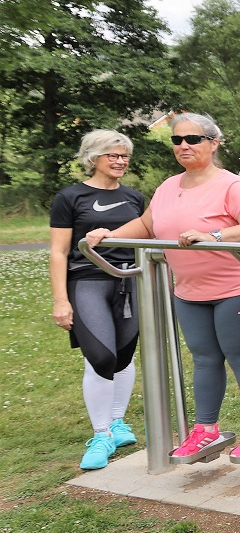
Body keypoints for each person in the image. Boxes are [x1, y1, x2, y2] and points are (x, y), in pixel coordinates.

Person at [86, 113, 240, 462]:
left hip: (237, 285)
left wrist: (214, 236)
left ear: (213, 143)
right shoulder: (168, 187)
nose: (183, 146)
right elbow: (147, 224)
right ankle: (206, 429)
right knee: (204, 358)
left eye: (192, 139)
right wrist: (108, 234)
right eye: (177, 140)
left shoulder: (230, 184)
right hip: (189, 290)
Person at [51, 130, 145, 470]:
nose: (120, 161)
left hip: (130, 282)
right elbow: (59, 252)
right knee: (101, 356)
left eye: (124, 156)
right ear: (93, 157)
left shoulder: (135, 197)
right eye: (112, 155)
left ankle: (117, 423)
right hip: (87, 282)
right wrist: (61, 300)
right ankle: (101, 433)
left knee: (123, 354)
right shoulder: (70, 197)